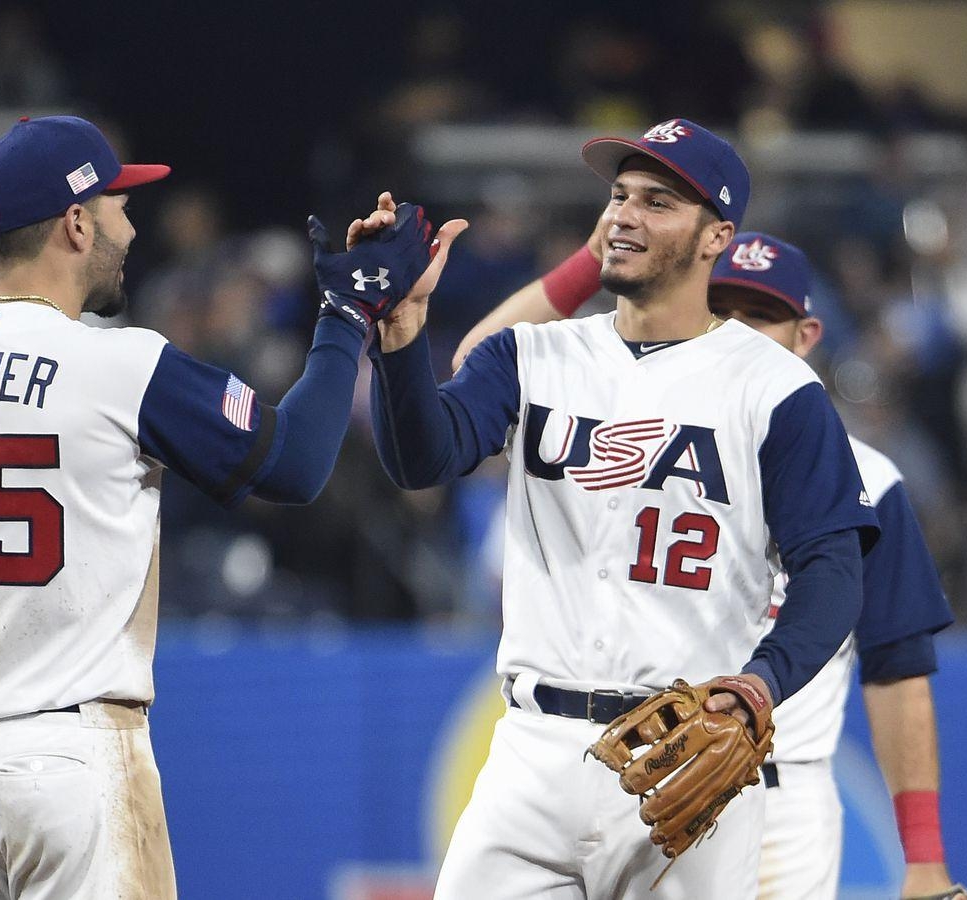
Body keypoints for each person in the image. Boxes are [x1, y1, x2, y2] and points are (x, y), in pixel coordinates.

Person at [0, 114, 465, 899]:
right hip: (71, 761)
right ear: (75, 223)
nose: (131, 228)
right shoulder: (120, 365)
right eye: (118, 206)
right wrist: (346, 317)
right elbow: (300, 465)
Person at [353, 119, 878, 899]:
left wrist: (760, 685)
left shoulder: (776, 389)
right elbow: (421, 458)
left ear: (716, 237)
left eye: (658, 201)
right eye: (620, 195)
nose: (625, 214)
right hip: (533, 748)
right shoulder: (531, 354)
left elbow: (832, 568)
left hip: (690, 751)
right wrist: (399, 338)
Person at [459, 227, 967, 900]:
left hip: (779, 794)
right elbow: (473, 368)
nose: (738, 329)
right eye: (723, 308)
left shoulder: (869, 479)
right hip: (630, 771)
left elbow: (898, 672)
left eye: (761, 314)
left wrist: (925, 857)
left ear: (807, 335)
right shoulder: (637, 449)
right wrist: (595, 258)